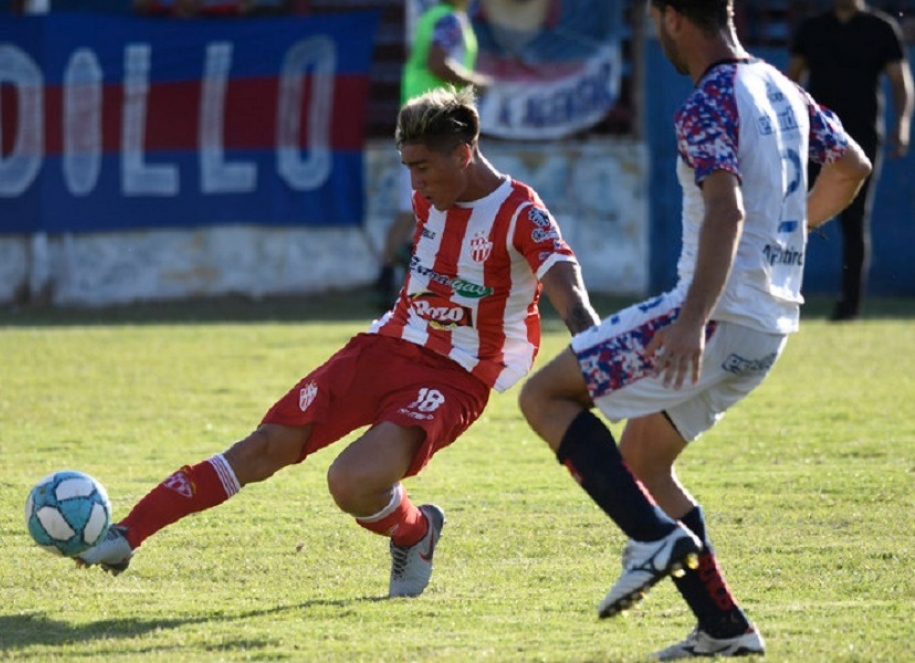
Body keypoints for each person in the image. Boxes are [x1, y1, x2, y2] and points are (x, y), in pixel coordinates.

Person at [78, 85, 600, 599]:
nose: (415, 185)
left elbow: (569, 293)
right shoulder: (430, 200)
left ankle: (415, 531)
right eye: (408, 169)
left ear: (464, 154)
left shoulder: (521, 213)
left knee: (350, 483)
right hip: (386, 345)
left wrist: (603, 360)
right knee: (265, 447)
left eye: (422, 167)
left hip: (458, 374)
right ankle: (128, 534)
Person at [518, 0, 871, 659]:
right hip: (768, 326)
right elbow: (850, 164)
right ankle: (724, 628)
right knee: (644, 462)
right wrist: (791, 232)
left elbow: (726, 209)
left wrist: (687, 322)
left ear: (670, 15)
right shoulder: (780, 87)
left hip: (712, 316)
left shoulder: (709, 99)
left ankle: (651, 538)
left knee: (542, 396)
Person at [788, 0, 914, 321]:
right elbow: (791, 82)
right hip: (814, 140)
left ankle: (849, 307)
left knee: (855, 220)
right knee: (796, 215)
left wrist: (900, 126)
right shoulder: (812, 29)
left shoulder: (881, 29)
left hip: (861, 140)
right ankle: (784, 295)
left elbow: (901, 83)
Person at [374, 0, 492, 309]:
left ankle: (387, 278)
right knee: (441, 205)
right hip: (432, 128)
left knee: (411, 206)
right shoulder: (450, 21)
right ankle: (422, 276)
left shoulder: (435, 18)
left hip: (417, 124)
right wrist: (477, 83)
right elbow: (437, 63)